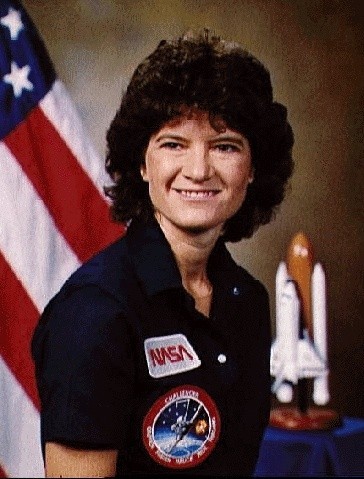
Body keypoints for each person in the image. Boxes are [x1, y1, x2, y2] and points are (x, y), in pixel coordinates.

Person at [31, 29, 294, 477]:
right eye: (174, 144)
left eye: (225, 146)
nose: (198, 170)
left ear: (252, 169)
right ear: (141, 162)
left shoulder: (245, 301)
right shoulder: (95, 314)